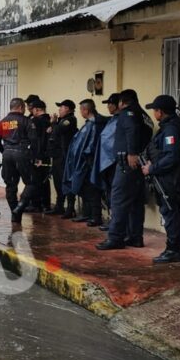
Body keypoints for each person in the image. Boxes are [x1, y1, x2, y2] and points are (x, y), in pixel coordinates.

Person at [142, 95, 180, 264]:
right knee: (172, 211)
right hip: (174, 177)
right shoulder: (179, 126)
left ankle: (173, 250)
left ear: (161, 111)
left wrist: (152, 168)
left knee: (170, 212)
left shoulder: (171, 129)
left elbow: (171, 156)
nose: (154, 113)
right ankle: (178, 248)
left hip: (171, 179)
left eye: (155, 110)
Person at [97, 89, 152, 251]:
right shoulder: (144, 115)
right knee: (135, 202)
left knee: (118, 200)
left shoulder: (128, 113)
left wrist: (132, 152)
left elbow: (132, 131)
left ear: (122, 102)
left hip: (128, 163)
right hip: (138, 164)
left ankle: (115, 238)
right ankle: (135, 237)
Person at [0, 98, 39, 223]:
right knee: (32, 182)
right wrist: (35, 156)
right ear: (20, 107)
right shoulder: (26, 121)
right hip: (22, 153)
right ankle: (19, 208)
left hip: (7, 154)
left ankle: (15, 214)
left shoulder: (2, 122)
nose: (25, 110)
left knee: (10, 185)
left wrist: (3, 151)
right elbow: (34, 140)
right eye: (24, 107)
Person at [65, 99, 107, 227]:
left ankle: (96, 217)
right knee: (85, 188)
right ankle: (87, 214)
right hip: (86, 162)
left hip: (89, 162)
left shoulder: (94, 125)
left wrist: (86, 159)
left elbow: (90, 145)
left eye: (81, 110)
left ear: (86, 110)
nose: (80, 112)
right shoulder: (91, 123)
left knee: (92, 190)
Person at [92, 93, 121, 232]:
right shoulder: (112, 119)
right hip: (108, 162)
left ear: (117, 105)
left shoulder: (120, 120)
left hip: (113, 162)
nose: (108, 106)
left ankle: (115, 221)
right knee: (109, 192)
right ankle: (112, 218)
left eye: (110, 104)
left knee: (115, 194)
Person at [46, 99, 79, 218]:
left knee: (66, 182)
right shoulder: (62, 120)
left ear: (68, 109)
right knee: (58, 182)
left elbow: (57, 131)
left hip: (65, 156)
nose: (59, 109)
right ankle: (59, 206)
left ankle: (70, 209)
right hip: (57, 156)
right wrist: (54, 125)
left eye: (62, 107)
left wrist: (53, 124)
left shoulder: (69, 120)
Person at [28, 98, 52, 212]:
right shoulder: (49, 121)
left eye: (32, 109)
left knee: (36, 179)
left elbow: (36, 140)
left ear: (37, 110)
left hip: (38, 155)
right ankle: (45, 204)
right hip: (46, 155)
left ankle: (36, 204)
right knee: (44, 180)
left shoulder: (36, 121)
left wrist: (37, 157)